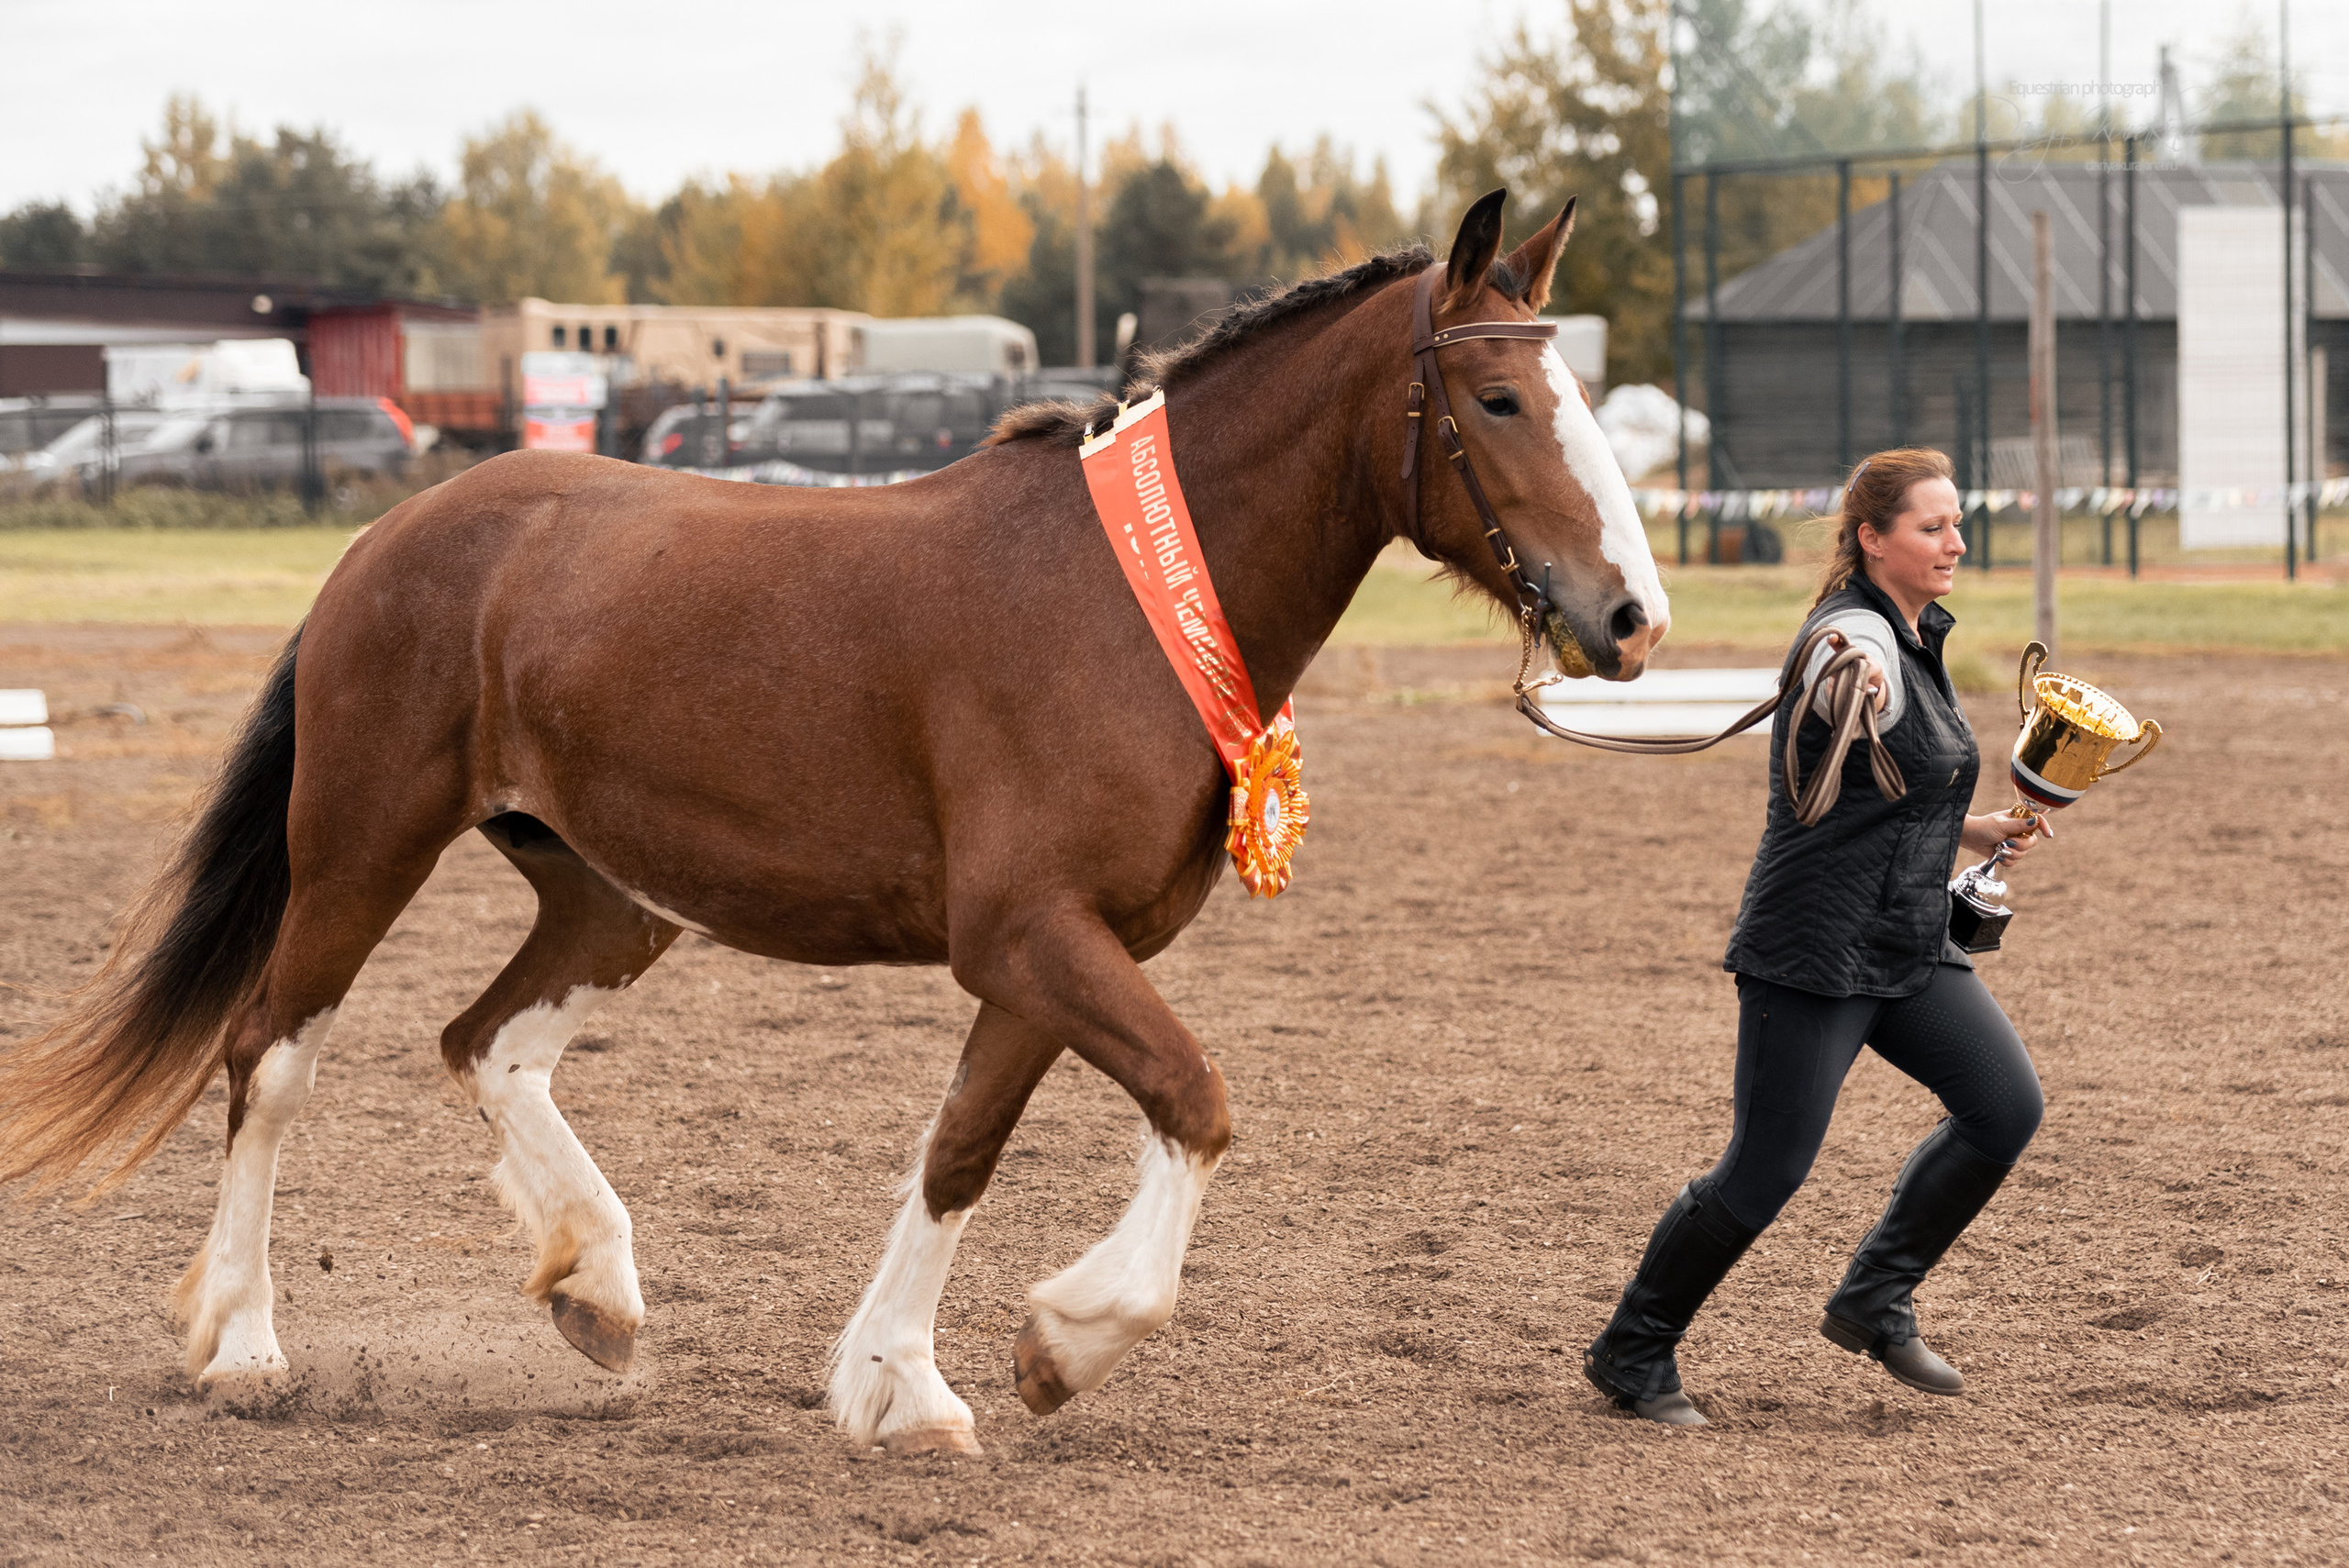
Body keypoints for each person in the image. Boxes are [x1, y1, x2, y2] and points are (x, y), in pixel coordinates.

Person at [1583, 447, 2050, 1427]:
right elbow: (1845, 669)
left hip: (1907, 938)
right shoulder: (1854, 635)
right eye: (1932, 526)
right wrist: (1855, 675)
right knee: (1766, 1169)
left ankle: (1874, 1296)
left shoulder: (1916, 632)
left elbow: (1899, 782)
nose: (1956, 542)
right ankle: (1633, 1347)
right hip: (1815, 948)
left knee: (2004, 1106)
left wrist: (1972, 828)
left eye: (1956, 523)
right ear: (1873, 538)